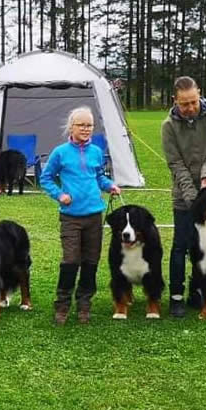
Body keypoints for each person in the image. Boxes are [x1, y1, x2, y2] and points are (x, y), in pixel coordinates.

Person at [41, 106, 121, 325]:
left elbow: (98, 177)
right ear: (71, 127)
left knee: (91, 261)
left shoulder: (96, 151)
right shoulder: (60, 152)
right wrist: (60, 195)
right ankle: (62, 304)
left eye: (90, 125)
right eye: (81, 125)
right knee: (70, 260)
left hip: (95, 215)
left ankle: (84, 304)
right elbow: (45, 178)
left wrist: (110, 185)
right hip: (71, 217)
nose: (86, 129)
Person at [161, 76, 206, 318]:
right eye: (184, 104)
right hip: (183, 196)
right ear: (175, 101)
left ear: (200, 93)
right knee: (181, 246)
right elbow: (175, 164)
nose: (189, 108)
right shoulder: (168, 126)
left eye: (193, 102)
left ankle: (199, 291)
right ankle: (176, 296)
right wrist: (192, 196)